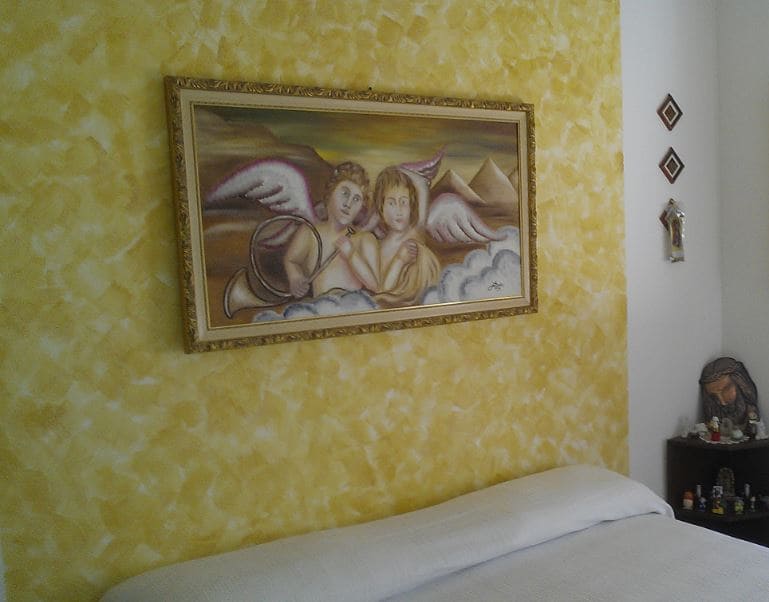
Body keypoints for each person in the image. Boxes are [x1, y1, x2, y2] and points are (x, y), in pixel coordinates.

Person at [284, 162, 379, 298]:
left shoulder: (365, 239)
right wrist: (295, 278)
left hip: (355, 306)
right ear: (330, 193)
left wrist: (351, 255)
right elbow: (291, 260)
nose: (348, 204)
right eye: (345, 193)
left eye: (356, 199)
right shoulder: (309, 232)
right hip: (320, 306)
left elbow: (375, 286)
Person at [372, 166, 440, 307]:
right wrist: (400, 260)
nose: (399, 210)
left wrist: (398, 168)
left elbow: (422, 184)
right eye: (391, 203)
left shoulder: (415, 232)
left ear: (411, 206)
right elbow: (383, 290)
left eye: (404, 202)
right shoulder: (378, 248)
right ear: (381, 208)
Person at [699, 357, 760, 431]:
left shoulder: (751, 413)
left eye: (725, 389)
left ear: (740, 384)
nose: (723, 402)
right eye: (713, 396)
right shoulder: (713, 420)